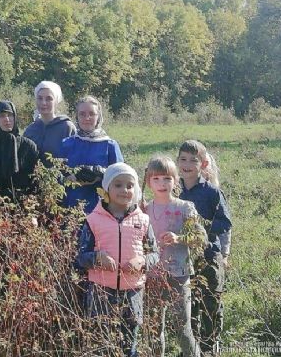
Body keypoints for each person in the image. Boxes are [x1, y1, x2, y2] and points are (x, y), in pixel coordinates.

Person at [77, 163, 158, 357]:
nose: (125, 190)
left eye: (130, 186)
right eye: (118, 185)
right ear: (107, 188)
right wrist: (97, 258)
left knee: (129, 342)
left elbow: (155, 253)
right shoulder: (93, 220)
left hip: (133, 291)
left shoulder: (143, 220)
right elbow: (80, 256)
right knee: (100, 342)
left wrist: (142, 261)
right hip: (101, 290)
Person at [143, 155, 206, 357]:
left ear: (176, 180)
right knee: (154, 329)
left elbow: (201, 237)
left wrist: (179, 238)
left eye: (167, 179)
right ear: (148, 182)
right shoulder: (144, 210)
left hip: (179, 274)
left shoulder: (185, 207)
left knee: (183, 328)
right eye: (156, 179)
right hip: (152, 276)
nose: (162, 184)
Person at [178, 140, 232, 357]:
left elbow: (225, 223)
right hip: (183, 258)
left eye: (193, 160)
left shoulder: (211, 192)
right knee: (189, 305)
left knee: (210, 304)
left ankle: (210, 348)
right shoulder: (174, 189)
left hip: (209, 256)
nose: (187, 165)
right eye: (183, 159)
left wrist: (200, 229)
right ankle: (191, 350)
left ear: (204, 164)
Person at [59, 95, 124, 214]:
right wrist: (70, 178)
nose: (87, 118)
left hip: (101, 209)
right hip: (70, 207)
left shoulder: (109, 145)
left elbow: (121, 178)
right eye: (82, 114)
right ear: (77, 116)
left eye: (92, 114)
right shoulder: (67, 144)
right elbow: (57, 174)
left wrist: (101, 175)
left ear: (98, 116)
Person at [23, 81, 76, 164]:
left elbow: (75, 158)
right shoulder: (30, 130)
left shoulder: (66, 127)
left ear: (56, 101)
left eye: (49, 99)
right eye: (40, 98)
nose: (43, 103)